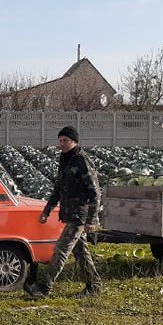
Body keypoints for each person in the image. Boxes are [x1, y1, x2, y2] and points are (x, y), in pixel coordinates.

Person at [25, 125, 102, 298]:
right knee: (81, 253)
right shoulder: (65, 160)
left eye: (65, 140)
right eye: (60, 140)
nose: (62, 144)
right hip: (69, 214)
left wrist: (92, 219)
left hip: (79, 216)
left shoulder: (82, 161)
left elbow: (95, 192)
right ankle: (94, 286)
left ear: (74, 141)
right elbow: (58, 188)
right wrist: (47, 210)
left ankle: (44, 289)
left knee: (60, 250)